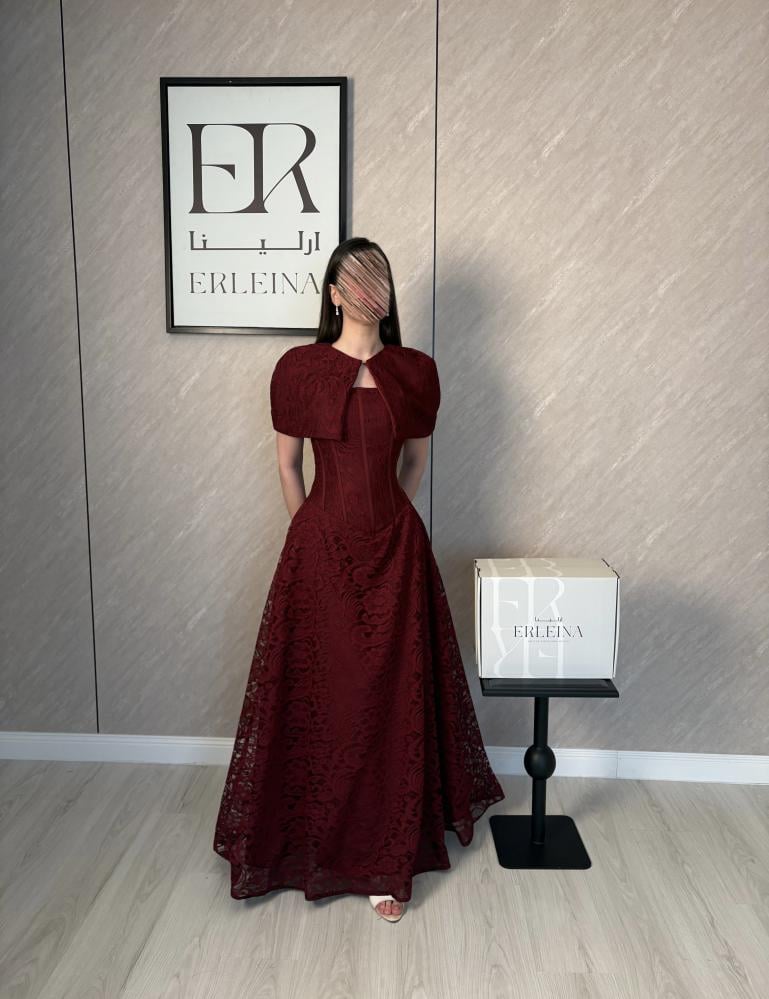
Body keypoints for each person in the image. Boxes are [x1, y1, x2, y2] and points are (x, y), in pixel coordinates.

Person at [213, 237, 505, 923]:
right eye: (355, 277)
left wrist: (392, 523)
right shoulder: (300, 369)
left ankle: (383, 859)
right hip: (319, 554)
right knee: (325, 694)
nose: (370, 287)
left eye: (379, 275)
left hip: (397, 555)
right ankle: (312, 843)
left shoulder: (415, 372)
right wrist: (311, 536)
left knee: (390, 701)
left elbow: (413, 464)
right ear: (335, 294)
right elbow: (289, 466)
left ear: (387, 292)